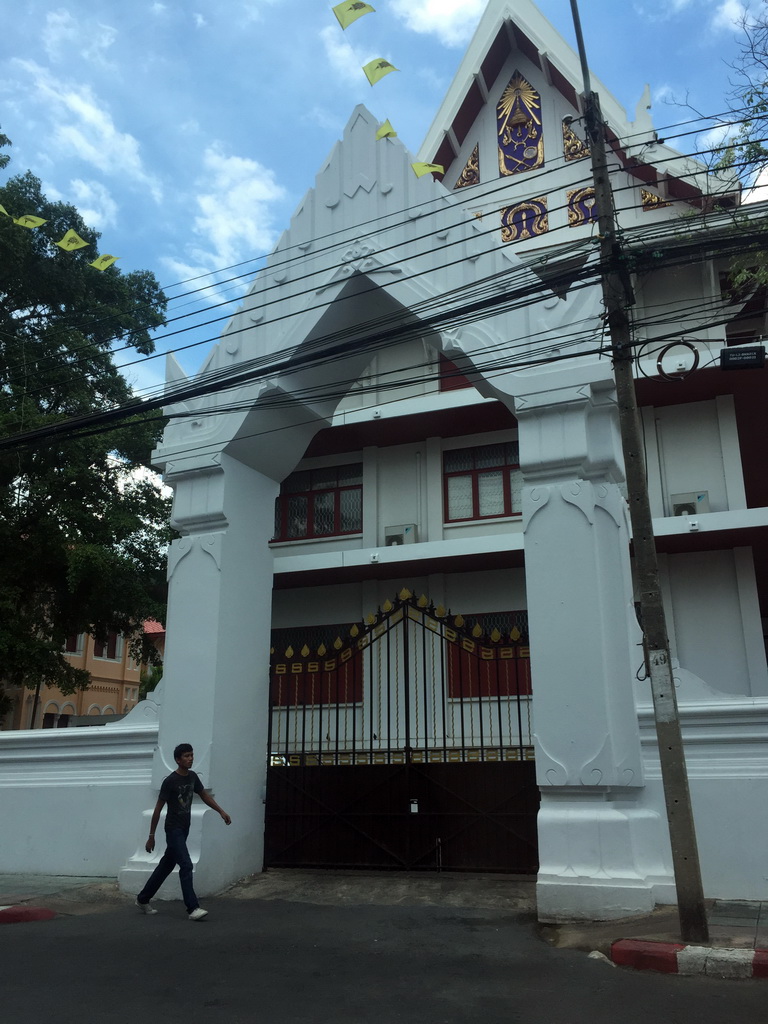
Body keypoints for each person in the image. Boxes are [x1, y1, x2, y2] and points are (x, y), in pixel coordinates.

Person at [135, 742, 231, 921]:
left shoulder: (192, 777)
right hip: (173, 829)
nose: (190, 759)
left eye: (191, 755)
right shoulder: (170, 781)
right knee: (185, 865)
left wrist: (221, 811)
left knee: (167, 865)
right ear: (178, 760)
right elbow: (157, 809)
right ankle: (192, 908)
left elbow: (204, 795)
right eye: (186, 756)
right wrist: (151, 836)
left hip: (184, 829)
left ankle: (143, 898)